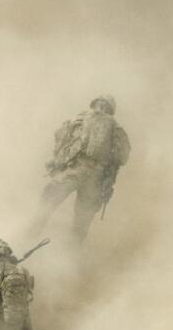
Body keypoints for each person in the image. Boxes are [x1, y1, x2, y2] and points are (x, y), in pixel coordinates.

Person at [33, 94, 130, 243]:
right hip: (80, 169)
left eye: (105, 106)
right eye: (100, 104)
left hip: (91, 175)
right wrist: (57, 160)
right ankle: (30, 236)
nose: (101, 108)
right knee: (50, 201)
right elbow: (62, 139)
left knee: (79, 220)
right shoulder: (82, 120)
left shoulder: (112, 128)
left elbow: (121, 157)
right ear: (95, 104)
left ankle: (68, 256)